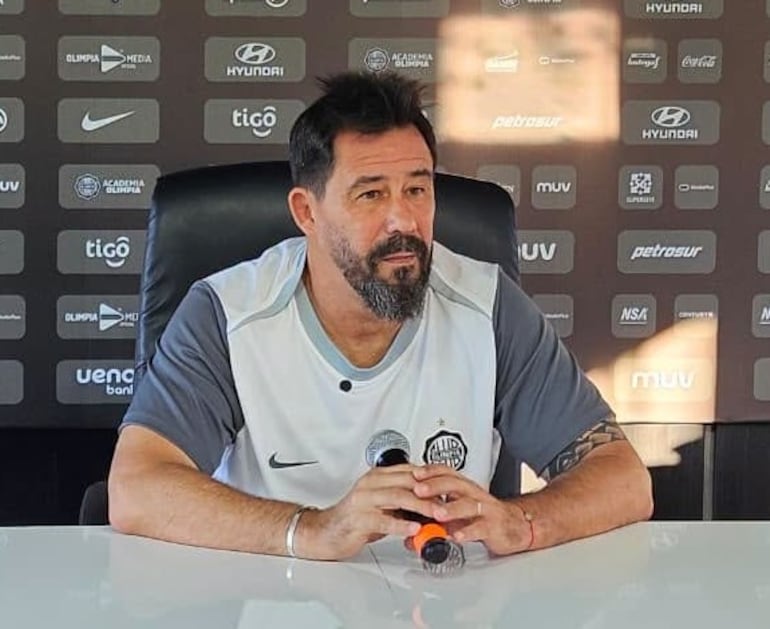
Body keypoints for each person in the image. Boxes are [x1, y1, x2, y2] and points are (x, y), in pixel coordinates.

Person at [109, 71, 652, 561]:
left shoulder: (487, 305)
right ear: (306, 212)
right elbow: (135, 487)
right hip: (275, 598)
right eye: (371, 194)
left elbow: (624, 478)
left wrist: (522, 522)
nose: (404, 221)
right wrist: (313, 530)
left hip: (446, 603)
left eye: (417, 189)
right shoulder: (228, 314)